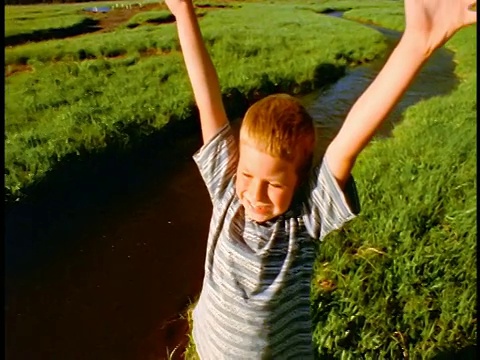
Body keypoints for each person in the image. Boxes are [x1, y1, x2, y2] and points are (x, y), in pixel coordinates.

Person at [164, 0, 477, 358]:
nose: (255, 193)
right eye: (247, 174)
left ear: (300, 182)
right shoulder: (226, 191)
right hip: (211, 346)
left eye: (275, 183)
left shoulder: (306, 220)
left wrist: (415, 44)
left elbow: (349, 141)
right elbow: (208, 102)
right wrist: (184, 13)